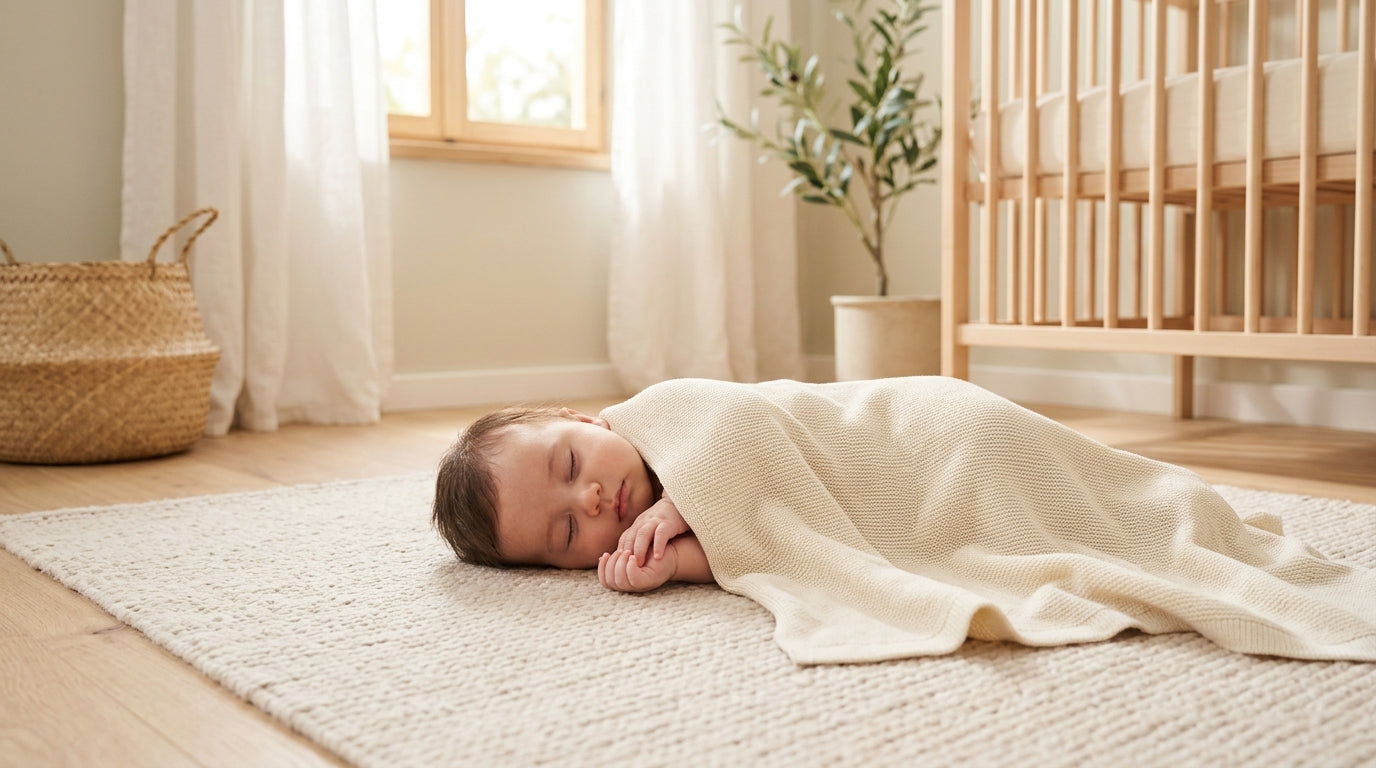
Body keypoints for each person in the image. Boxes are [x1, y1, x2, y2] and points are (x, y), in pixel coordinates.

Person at [432, 406, 713, 593]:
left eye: (571, 465)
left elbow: (736, 420)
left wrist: (680, 497)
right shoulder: (643, 541)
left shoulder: (663, 413)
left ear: (583, 421)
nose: (588, 499)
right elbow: (738, 548)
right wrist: (673, 560)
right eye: (568, 530)